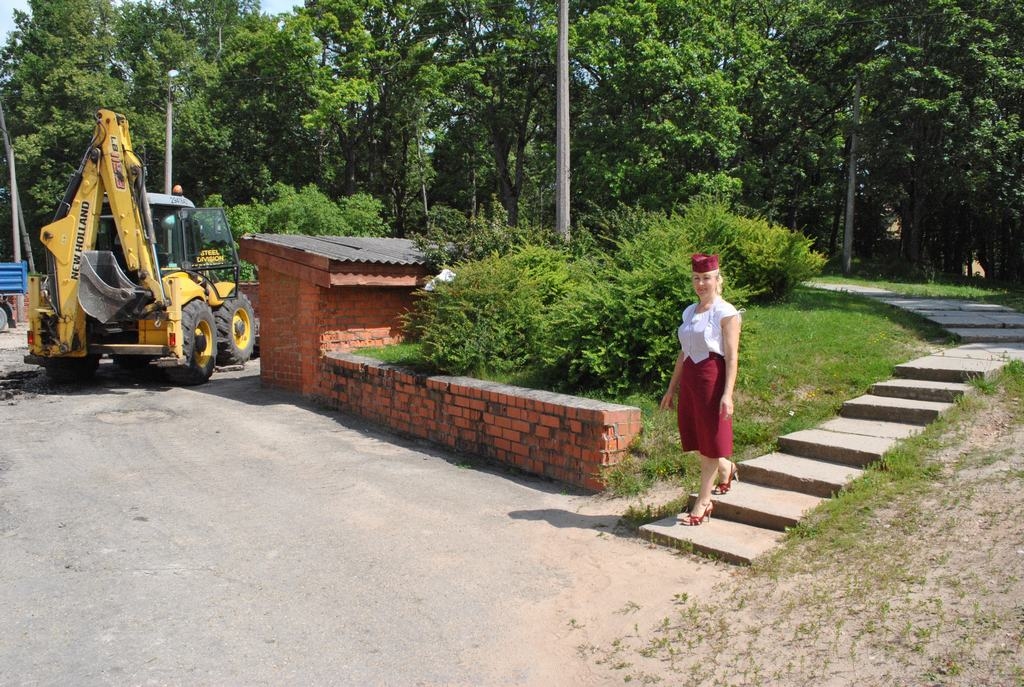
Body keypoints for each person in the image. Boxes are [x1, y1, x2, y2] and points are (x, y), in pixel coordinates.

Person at [659, 253, 742, 526]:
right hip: (691, 381)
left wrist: (727, 394)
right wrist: (671, 389)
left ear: (718, 279)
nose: (701, 283)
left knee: (709, 442)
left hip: (712, 378)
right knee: (697, 437)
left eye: (706, 278)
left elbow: (731, 357)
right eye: (696, 278)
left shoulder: (726, 313)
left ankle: (703, 502)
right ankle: (726, 467)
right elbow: (683, 353)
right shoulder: (689, 312)